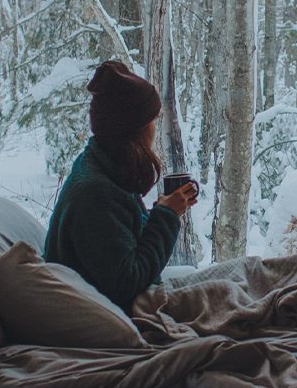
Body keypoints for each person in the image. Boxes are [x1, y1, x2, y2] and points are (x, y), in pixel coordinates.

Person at [44, 60, 198, 312]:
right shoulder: (95, 194)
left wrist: (159, 211)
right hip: (98, 313)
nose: (154, 128)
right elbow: (128, 282)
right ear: (134, 129)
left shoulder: (102, 166)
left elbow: (118, 242)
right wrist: (167, 217)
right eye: (152, 120)